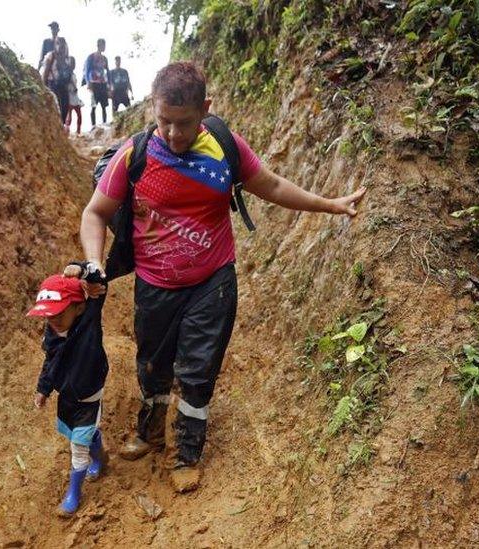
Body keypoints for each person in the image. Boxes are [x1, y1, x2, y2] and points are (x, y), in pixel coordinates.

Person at [79, 62, 367, 493]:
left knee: (198, 370)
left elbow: (269, 185)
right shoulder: (134, 154)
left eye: (185, 123)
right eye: (164, 122)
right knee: (153, 367)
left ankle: (187, 451)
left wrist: (329, 204)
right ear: (153, 111)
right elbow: (95, 213)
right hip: (155, 285)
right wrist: (94, 262)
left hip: (212, 282)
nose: (174, 134)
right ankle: (151, 429)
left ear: (205, 109)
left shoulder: (224, 147)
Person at [30, 263, 110, 517]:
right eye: (48, 316)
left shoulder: (89, 319)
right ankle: (98, 454)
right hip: (66, 395)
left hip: (89, 395)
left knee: (78, 445)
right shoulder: (52, 333)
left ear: (79, 306)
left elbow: (100, 280)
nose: (52, 321)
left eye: (58, 314)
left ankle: (73, 493)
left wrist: (82, 270)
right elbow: (50, 362)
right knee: (76, 433)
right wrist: (44, 389)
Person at [41, 38, 72, 126]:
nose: (61, 47)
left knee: (65, 107)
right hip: (53, 84)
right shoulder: (51, 56)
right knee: (56, 106)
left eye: (63, 45)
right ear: (55, 45)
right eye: (58, 44)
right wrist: (43, 88)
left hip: (63, 85)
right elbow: (45, 73)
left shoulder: (67, 59)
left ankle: (61, 126)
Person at [82, 39, 110, 126]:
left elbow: (107, 71)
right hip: (94, 83)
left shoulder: (105, 58)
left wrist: (109, 83)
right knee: (94, 105)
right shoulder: (91, 57)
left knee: (104, 105)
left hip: (103, 83)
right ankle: (93, 125)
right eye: (102, 45)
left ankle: (104, 123)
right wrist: (88, 82)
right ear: (98, 45)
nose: (104, 47)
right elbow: (87, 70)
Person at [65, 56, 84, 135]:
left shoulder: (73, 74)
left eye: (74, 63)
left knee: (79, 115)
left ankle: (78, 131)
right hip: (69, 95)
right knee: (69, 115)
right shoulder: (67, 73)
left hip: (75, 96)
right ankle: (67, 130)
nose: (73, 65)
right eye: (72, 63)